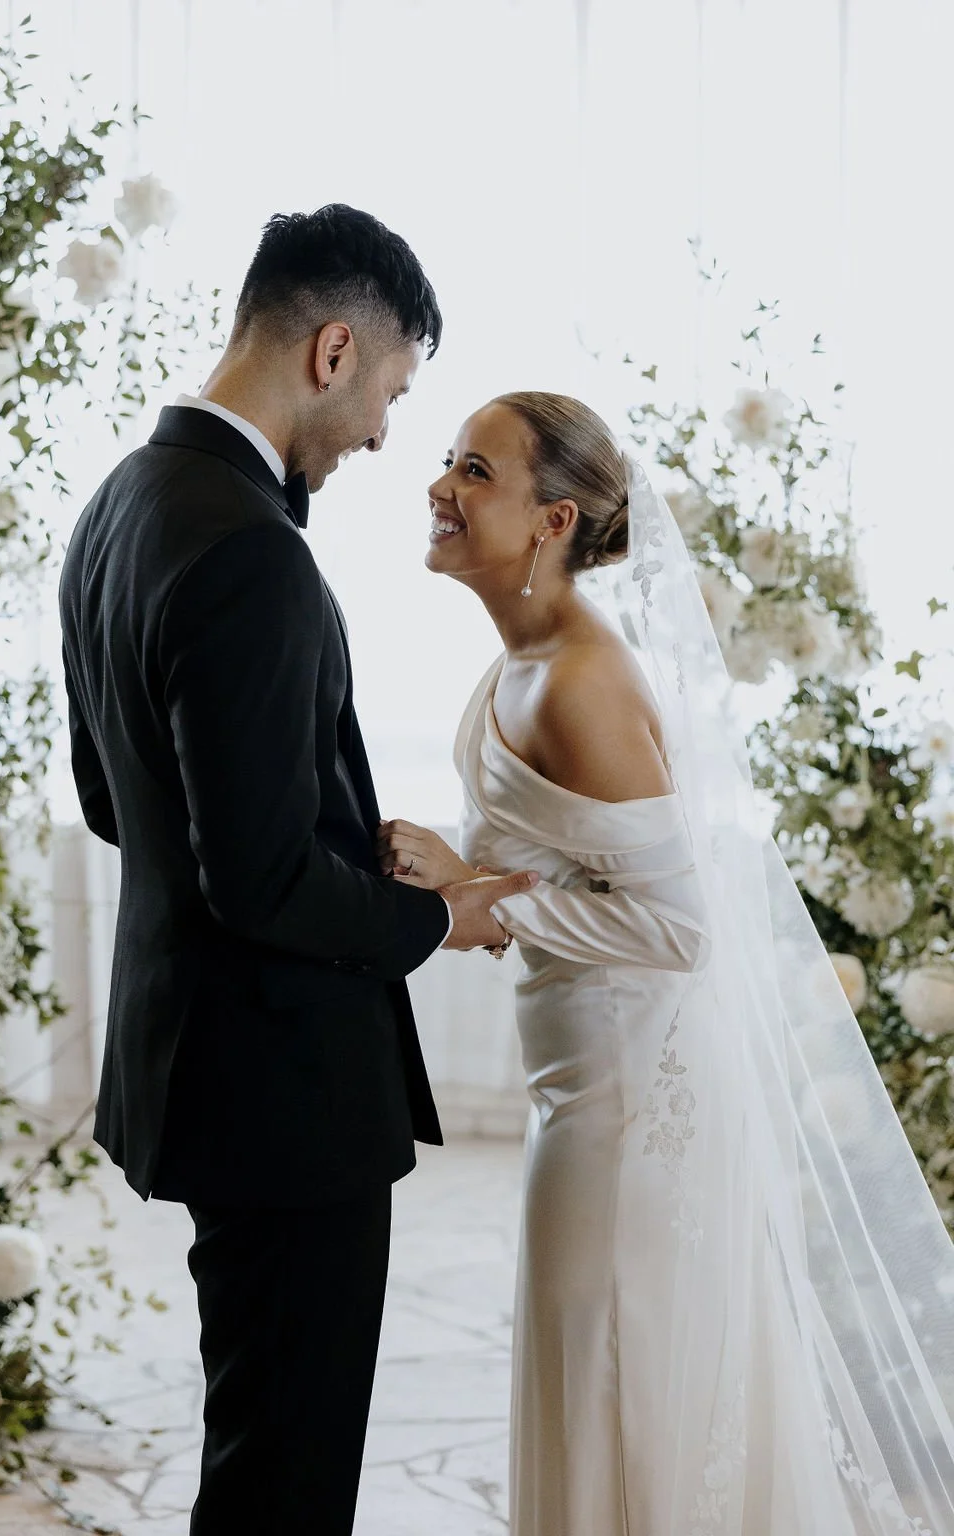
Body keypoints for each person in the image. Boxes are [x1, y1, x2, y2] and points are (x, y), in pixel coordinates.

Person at [378, 391, 954, 1534]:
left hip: (637, 1113)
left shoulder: (584, 680)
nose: (440, 486)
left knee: (617, 1372)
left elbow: (680, 929)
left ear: (551, 521)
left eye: (475, 471)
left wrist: (475, 897)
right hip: (581, 1089)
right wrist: (464, 885)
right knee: (588, 1357)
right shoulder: (522, 658)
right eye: (448, 460)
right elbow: (559, 864)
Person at [58, 206, 538, 1536]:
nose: (387, 434)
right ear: (334, 351)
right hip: (281, 1092)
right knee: (287, 1477)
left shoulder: (118, 507)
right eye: (390, 389)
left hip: (200, 1073)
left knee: (255, 1436)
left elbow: (113, 801)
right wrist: (430, 914)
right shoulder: (252, 552)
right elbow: (261, 881)